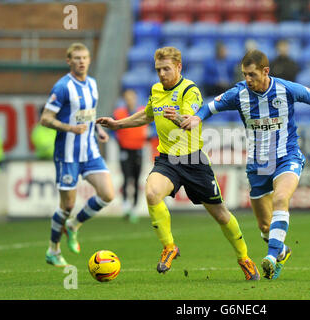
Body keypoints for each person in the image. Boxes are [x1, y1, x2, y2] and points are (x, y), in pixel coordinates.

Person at [165, 49, 310, 279]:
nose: (247, 80)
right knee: (264, 226)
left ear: (265, 71)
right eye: (244, 75)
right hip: (258, 165)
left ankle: (270, 257)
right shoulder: (238, 94)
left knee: (281, 199)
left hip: (287, 157)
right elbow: (211, 107)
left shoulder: (287, 89)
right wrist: (197, 118)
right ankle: (281, 252)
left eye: (252, 75)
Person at [96, 47, 260, 280]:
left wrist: (179, 118)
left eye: (166, 69)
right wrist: (118, 124)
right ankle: (169, 247)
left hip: (193, 161)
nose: (161, 74)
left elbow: (193, 120)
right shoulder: (156, 89)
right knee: (152, 192)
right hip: (168, 160)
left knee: (222, 215)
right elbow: (147, 115)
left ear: (179, 67)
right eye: (158, 70)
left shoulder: (189, 91)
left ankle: (244, 258)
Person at [40, 42, 115, 267]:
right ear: (69, 61)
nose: (81, 61)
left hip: (90, 151)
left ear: (89, 60)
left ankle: (74, 225)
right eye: (77, 58)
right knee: (67, 205)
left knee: (108, 194)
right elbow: (45, 118)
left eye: (84, 57)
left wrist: (99, 130)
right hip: (68, 154)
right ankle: (53, 250)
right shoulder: (62, 87)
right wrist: (70, 128)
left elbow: (88, 115)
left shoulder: (92, 83)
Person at [113, 89, 147, 223]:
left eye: (132, 98)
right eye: (127, 98)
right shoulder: (119, 113)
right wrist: (118, 140)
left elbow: (151, 128)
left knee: (137, 179)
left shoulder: (142, 111)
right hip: (125, 150)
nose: (130, 100)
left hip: (138, 150)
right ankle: (126, 205)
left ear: (136, 99)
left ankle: (134, 208)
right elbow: (112, 130)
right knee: (127, 178)